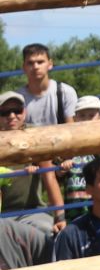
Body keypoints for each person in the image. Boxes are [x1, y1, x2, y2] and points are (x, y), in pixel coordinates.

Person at [0, 90, 64, 237]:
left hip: (33, 211)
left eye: (17, 110)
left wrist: (59, 217)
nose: (12, 116)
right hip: (3, 214)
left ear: (25, 111)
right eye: (5, 112)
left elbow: (50, 177)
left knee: (49, 232)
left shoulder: (34, 136)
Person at [18, 47, 75, 128]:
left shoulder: (65, 92)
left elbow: (71, 129)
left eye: (40, 62)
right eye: (30, 63)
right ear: (24, 67)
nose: (35, 67)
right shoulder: (17, 98)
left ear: (50, 64)